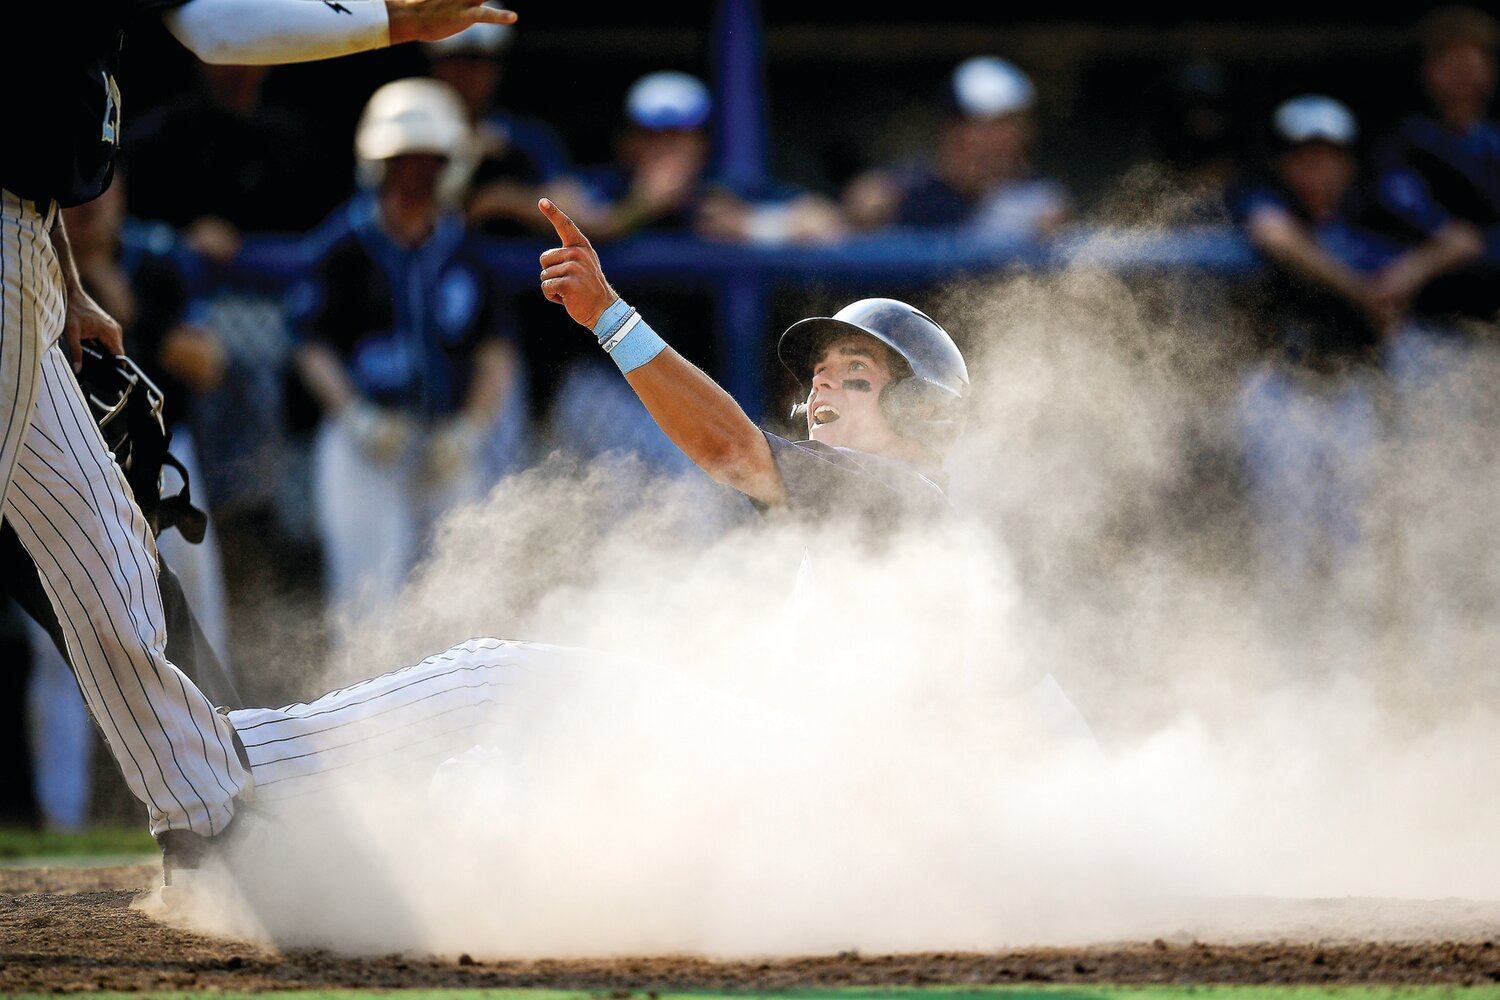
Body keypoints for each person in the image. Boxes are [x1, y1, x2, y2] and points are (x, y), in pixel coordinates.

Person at [0, 0, 517, 878]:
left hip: (25, 240)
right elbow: (218, 25)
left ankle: (206, 822)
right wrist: (393, 19)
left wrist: (65, 278)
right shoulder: (345, 248)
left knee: (108, 554)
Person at [291, 78, 526, 630]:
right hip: (367, 443)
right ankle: (367, 715)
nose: (416, 176)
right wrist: (355, 416)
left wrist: (471, 428)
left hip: (446, 440)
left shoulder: (466, 252)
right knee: (367, 606)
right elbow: (311, 344)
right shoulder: (341, 247)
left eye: (429, 162)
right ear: (378, 164)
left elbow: (496, 352)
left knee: (459, 605)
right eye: (404, 161)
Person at [842, 56, 1068, 240]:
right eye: (992, 124)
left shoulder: (1040, 199)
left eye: (1014, 124)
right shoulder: (899, 191)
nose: (1008, 138)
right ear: (953, 129)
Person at [1373, 5, 1500, 325]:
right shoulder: (1405, 142)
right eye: (1451, 63)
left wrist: (1470, 244)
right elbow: (1399, 204)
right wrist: (1445, 238)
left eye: (1471, 63)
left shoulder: (1493, 142)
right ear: (1429, 70)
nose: (1463, 75)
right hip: (1429, 313)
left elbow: (1472, 242)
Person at [424, 22, 574, 237]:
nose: (465, 75)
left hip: (518, 263)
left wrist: (503, 200)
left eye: (477, 62)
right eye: (454, 61)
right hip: (442, 263)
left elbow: (571, 208)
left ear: (496, 69)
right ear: (435, 66)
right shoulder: (414, 138)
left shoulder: (526, 136)